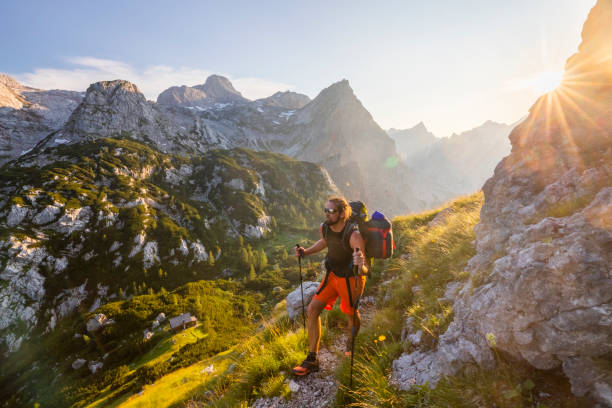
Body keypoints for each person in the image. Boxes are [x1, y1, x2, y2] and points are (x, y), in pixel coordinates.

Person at [292, 196, 368, 376]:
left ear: (342, 214)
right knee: (312, 309)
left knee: (351, 313)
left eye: (331, 211)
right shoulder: (325, 227)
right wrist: (306, 252)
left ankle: (351, 341)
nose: (327, 213)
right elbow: (325, 242)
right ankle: (312, 358)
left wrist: (360, 263)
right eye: (326, 210)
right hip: (332, 275)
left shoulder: (354, 235)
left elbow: (366, 269)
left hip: (351, 280)